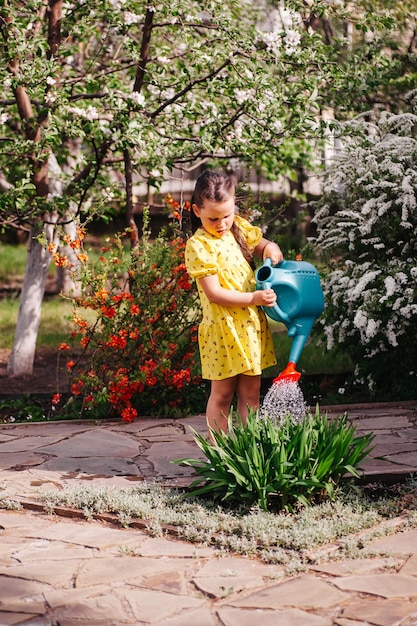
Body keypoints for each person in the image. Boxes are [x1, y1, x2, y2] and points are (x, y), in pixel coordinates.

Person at [185, 169, 283, 440]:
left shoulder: (236, 227)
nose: (221, 224)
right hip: (223, 331)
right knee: (223, 395)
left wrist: (271, 249)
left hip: (250, 328)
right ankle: (221, 452)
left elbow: (262, 244)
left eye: (226, 215)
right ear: (196, 210)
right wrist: (253, 298)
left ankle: (249, 448)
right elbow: (214, 293)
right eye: (213, 218)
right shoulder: (199, 246)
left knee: (251, 394)